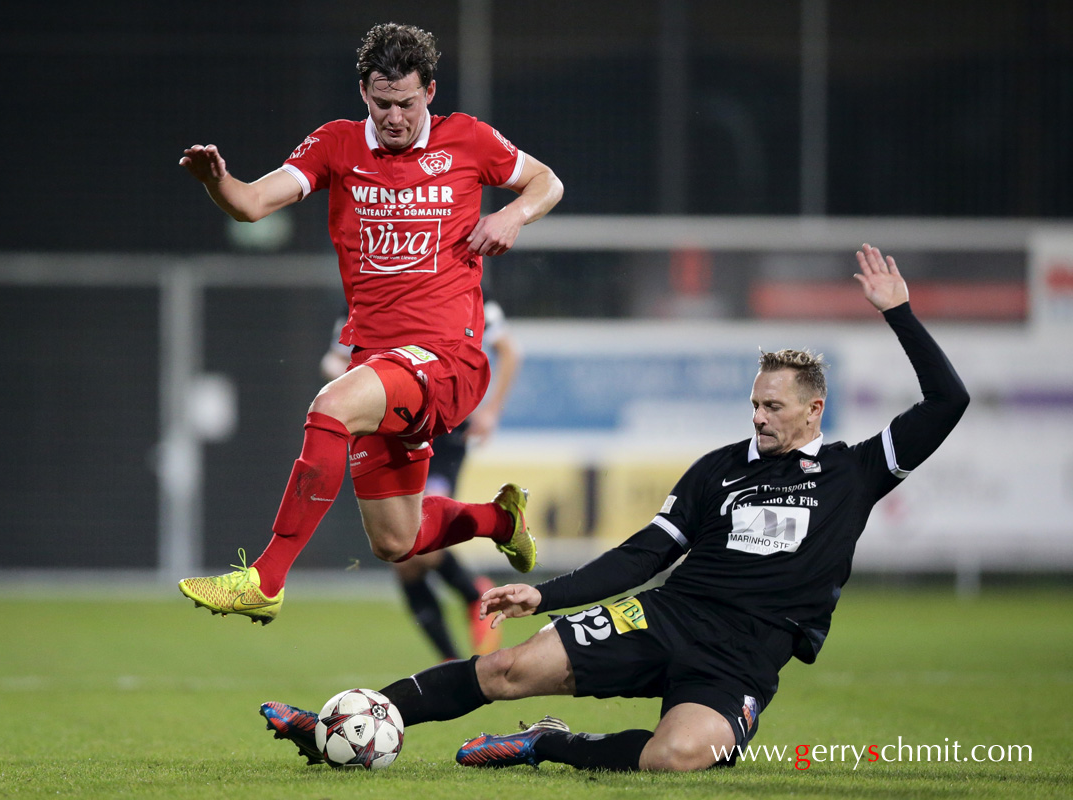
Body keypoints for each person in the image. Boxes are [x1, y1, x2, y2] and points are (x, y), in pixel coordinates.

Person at [259, 244, 969, 771]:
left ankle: (550, 743)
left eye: (774, 407)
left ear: (815, 409)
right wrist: (545, 597)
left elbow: (948, 402)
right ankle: (338, 725)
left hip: (744, 661)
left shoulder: (856, 470)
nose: (758, 417)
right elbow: (643, 554)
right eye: (754, 403)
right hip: (667, 616)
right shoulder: (718, 471)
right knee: (506, 671)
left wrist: (899, 314)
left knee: (677, 757)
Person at [176, 23, 563, 624]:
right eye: (382, 104)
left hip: (447, 359)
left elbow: (547, 181)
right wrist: (214, 181)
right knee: (395, 541)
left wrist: (513, 214)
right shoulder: (336, 145)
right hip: (379, 365)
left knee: (331, 407)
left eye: (407, 103)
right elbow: (252, 204)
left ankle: (266, 579)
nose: (395, 117)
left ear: (429, 91)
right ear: (364, 92)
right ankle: (499, 519)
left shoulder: (468, 139)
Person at [322, 298, 522, 660]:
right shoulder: (365, 294)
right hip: (389, 430)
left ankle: (473, 591)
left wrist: (491, 411)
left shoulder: (462, 287)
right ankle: (451, 660)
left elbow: (508, 351)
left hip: (443, 432)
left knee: (416, 544)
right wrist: (359, 390)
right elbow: (334, 359)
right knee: (402, 558)